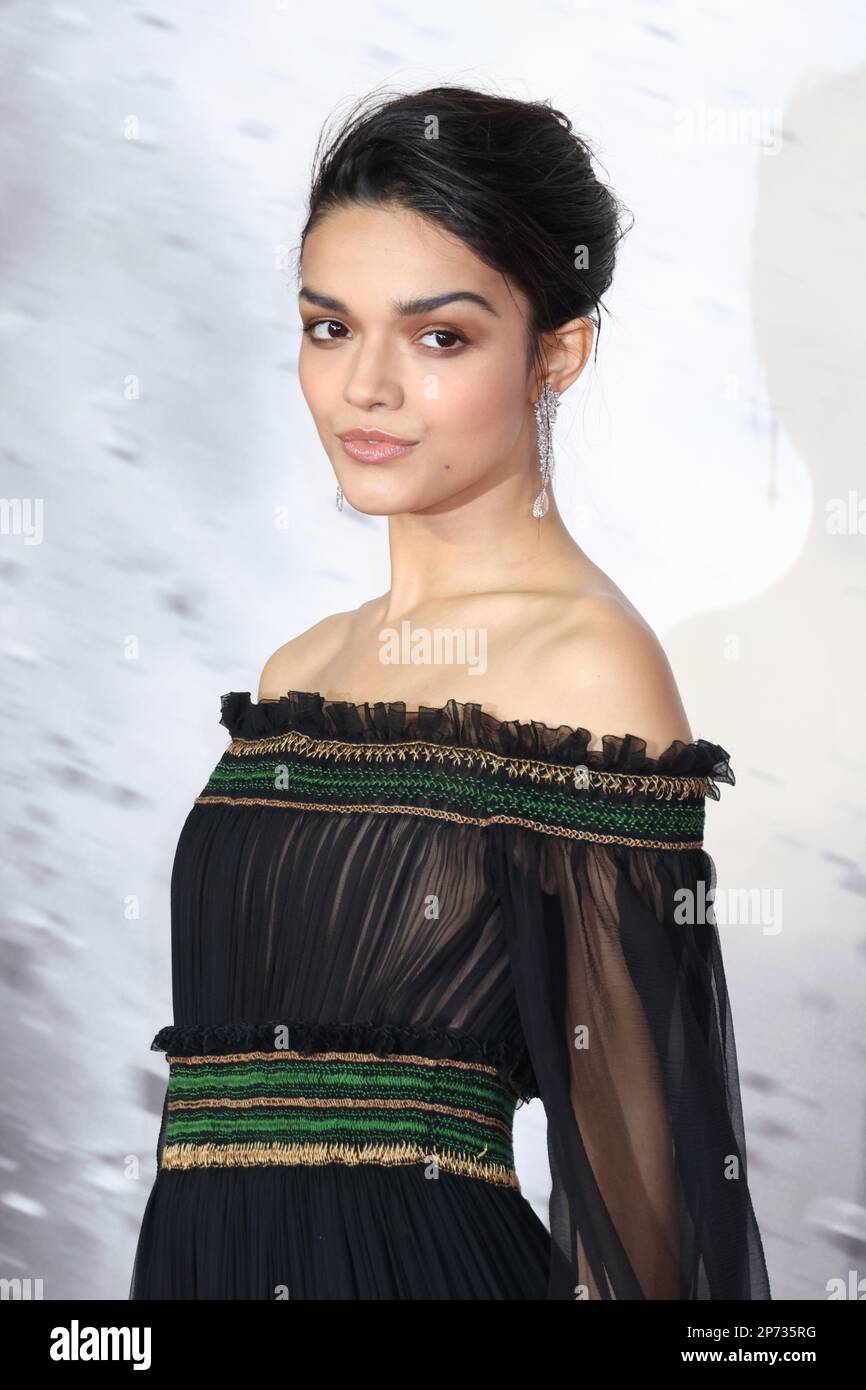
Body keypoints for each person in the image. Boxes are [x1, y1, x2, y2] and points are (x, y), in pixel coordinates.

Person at [129, 84, 771, 1300]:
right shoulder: (297, 674)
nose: (365, 386)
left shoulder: (590, 672)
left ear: (558, 352)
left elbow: (646, 1205)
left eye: (438, 337)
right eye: (328, 327)